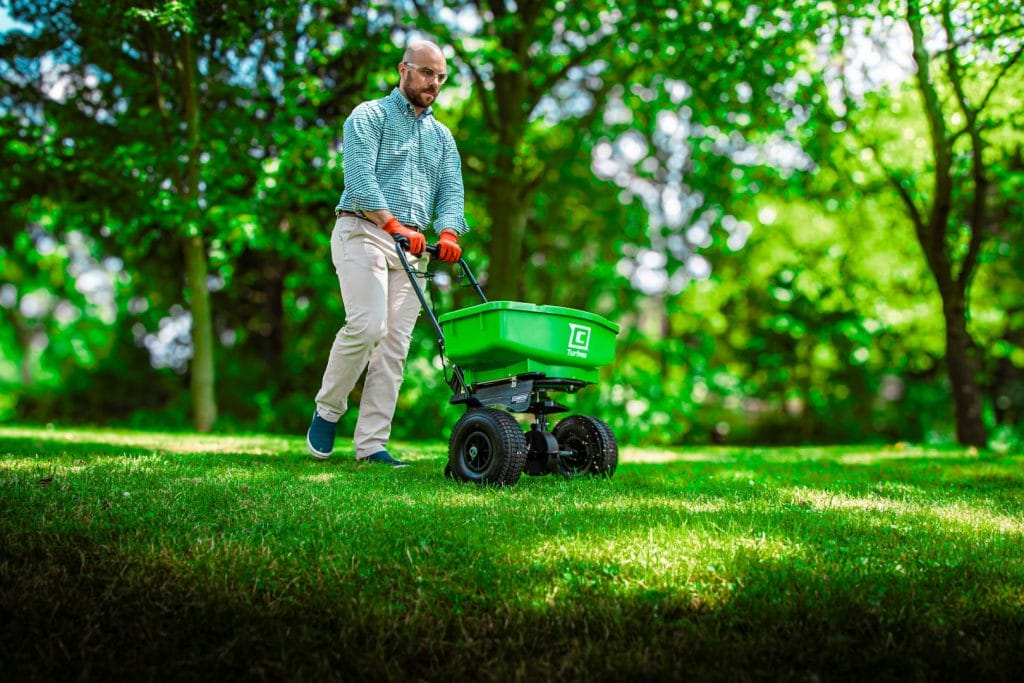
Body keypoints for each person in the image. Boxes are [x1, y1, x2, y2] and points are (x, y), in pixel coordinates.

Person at [306, 40, 467, 468]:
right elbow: (359, 177)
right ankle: (328, 410)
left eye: (441, 76)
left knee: (394, 346)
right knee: (368, 324)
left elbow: (451, 189)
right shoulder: (369, 116)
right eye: (427, 72)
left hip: (413, 249)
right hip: (364, 231)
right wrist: (393, 225)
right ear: (403, 70)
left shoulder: (442, 137)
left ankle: (371, 445)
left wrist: (448, 231)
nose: (434, 83)